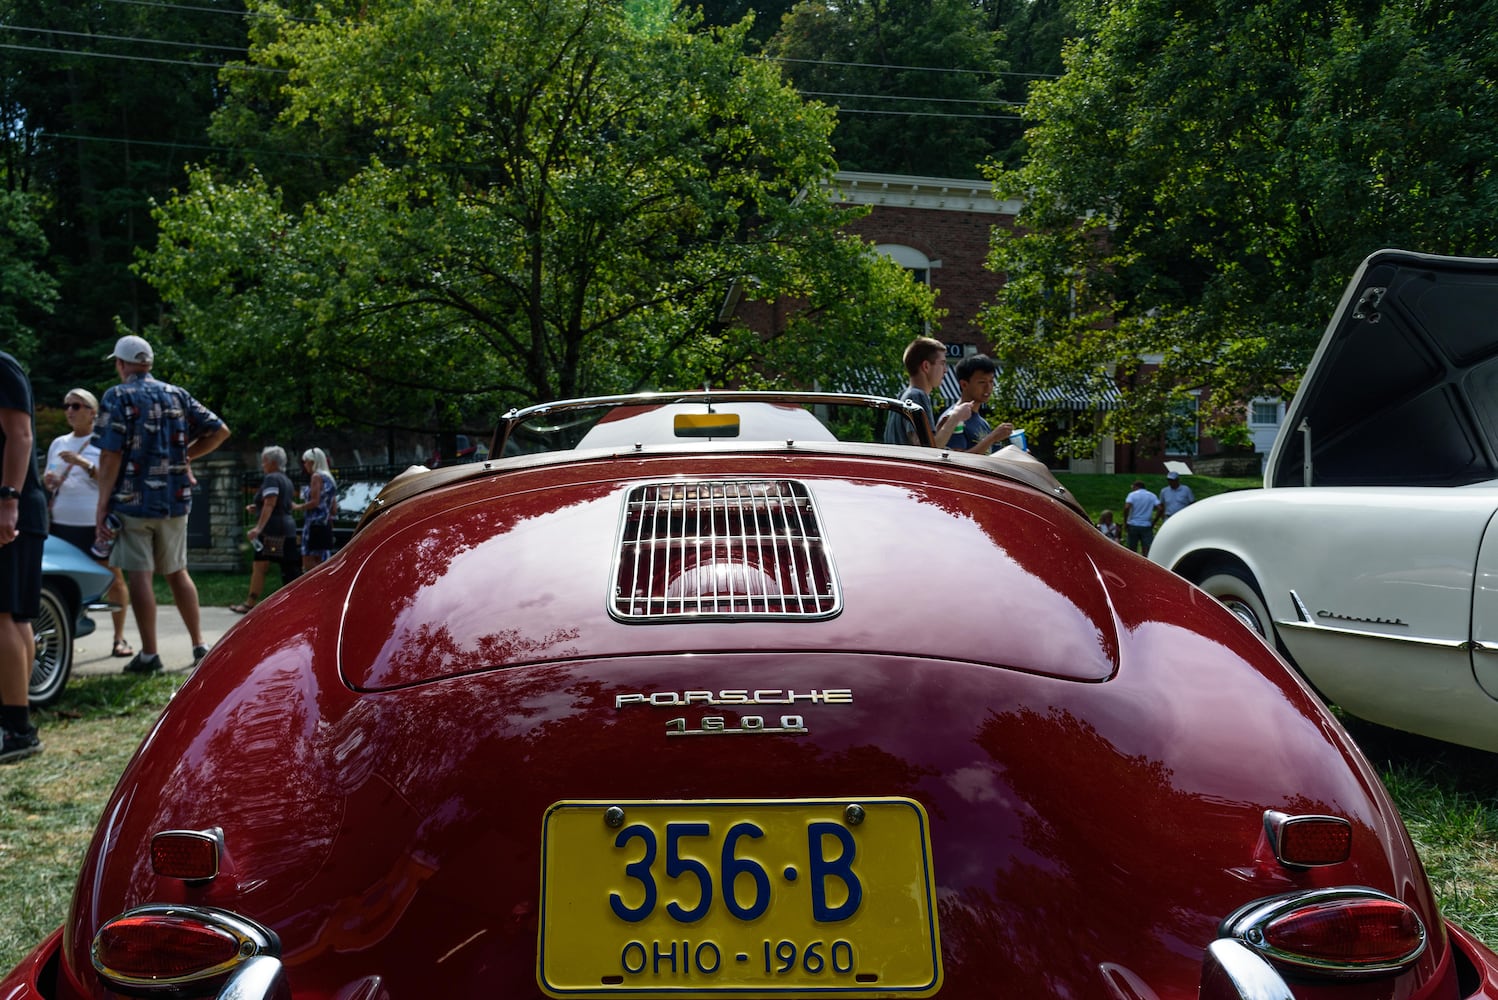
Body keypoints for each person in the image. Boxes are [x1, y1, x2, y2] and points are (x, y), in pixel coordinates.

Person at [93, 335, 231, 674]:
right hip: (174, 499)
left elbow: (110, 455)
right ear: (148, 363)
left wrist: (102, 503)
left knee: (140, 574)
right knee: (177, 571)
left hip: (132, 502)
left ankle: (150, 655)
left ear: (121, 364)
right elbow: (220, 430)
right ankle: (200, 644)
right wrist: (185, 456)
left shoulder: (117, 396)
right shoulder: (177, 394)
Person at [43, 388, 132, 657]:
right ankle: (64, 636)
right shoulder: (58, 443)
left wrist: (83, 464)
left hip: (96, 524)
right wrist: (50, 481)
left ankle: (119, 638)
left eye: (77, 406)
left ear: (93, 412)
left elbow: (111, 481)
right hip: (61, 522)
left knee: (113, 578)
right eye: (67, 405)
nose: (70, 410)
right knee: (65, 581)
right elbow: (51, 475)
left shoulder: (104, 443)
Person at [0, 352, 48, 763]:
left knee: (4, 616)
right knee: (16, 617)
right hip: (16, 511)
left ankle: (16, 729)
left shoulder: (2, 367)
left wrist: (7, 501)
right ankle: (17, 718)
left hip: (12, 511)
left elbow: (21, 435)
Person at [232, 446, 303, 613]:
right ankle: (297, 602)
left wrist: (258, 528)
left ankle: (250, 603)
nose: (262, 464)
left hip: (273, 533)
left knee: (260, 566)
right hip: (288, 530)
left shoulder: (271, 478)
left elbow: (270, 503)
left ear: (272, 462)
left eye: (264, 461)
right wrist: (257, 507)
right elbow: (280, 505)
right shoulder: (286, 480)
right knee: (289, 568)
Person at [882, 337, 972, 447]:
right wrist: (956, 416)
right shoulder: (917, 396)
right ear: (926, 366)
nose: (946, 370)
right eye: (942, 363)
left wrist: (940, 427)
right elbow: (926, 449)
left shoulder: (902, 396)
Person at [938, 354, 1014, 454]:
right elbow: (957, 460)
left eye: (991, 381)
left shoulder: (982, 422)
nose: (988, 387)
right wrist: (992, 437)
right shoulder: (954, 418)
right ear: (964, 384)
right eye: (982, 382)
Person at [292, 446, 337, 570]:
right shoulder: (330, 479)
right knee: (323, 560)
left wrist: (298, 506)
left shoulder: (316, 477)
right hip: (326, 524)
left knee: (308, 560)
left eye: (305, 462)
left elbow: (315, 501)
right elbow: (334, 508)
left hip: (313, 524)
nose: (304, 465)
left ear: (313, 462)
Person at [1122, 479, 1160, 555]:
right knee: (1147, 548)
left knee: (1132, 549)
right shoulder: (1152, 495)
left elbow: (1126, 507)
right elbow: (1160, 508)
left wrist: (1125, 521)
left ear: (1136, 487)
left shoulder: (1132, 495)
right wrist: (1154, 521)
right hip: (1146, 525)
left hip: (1133, 524)